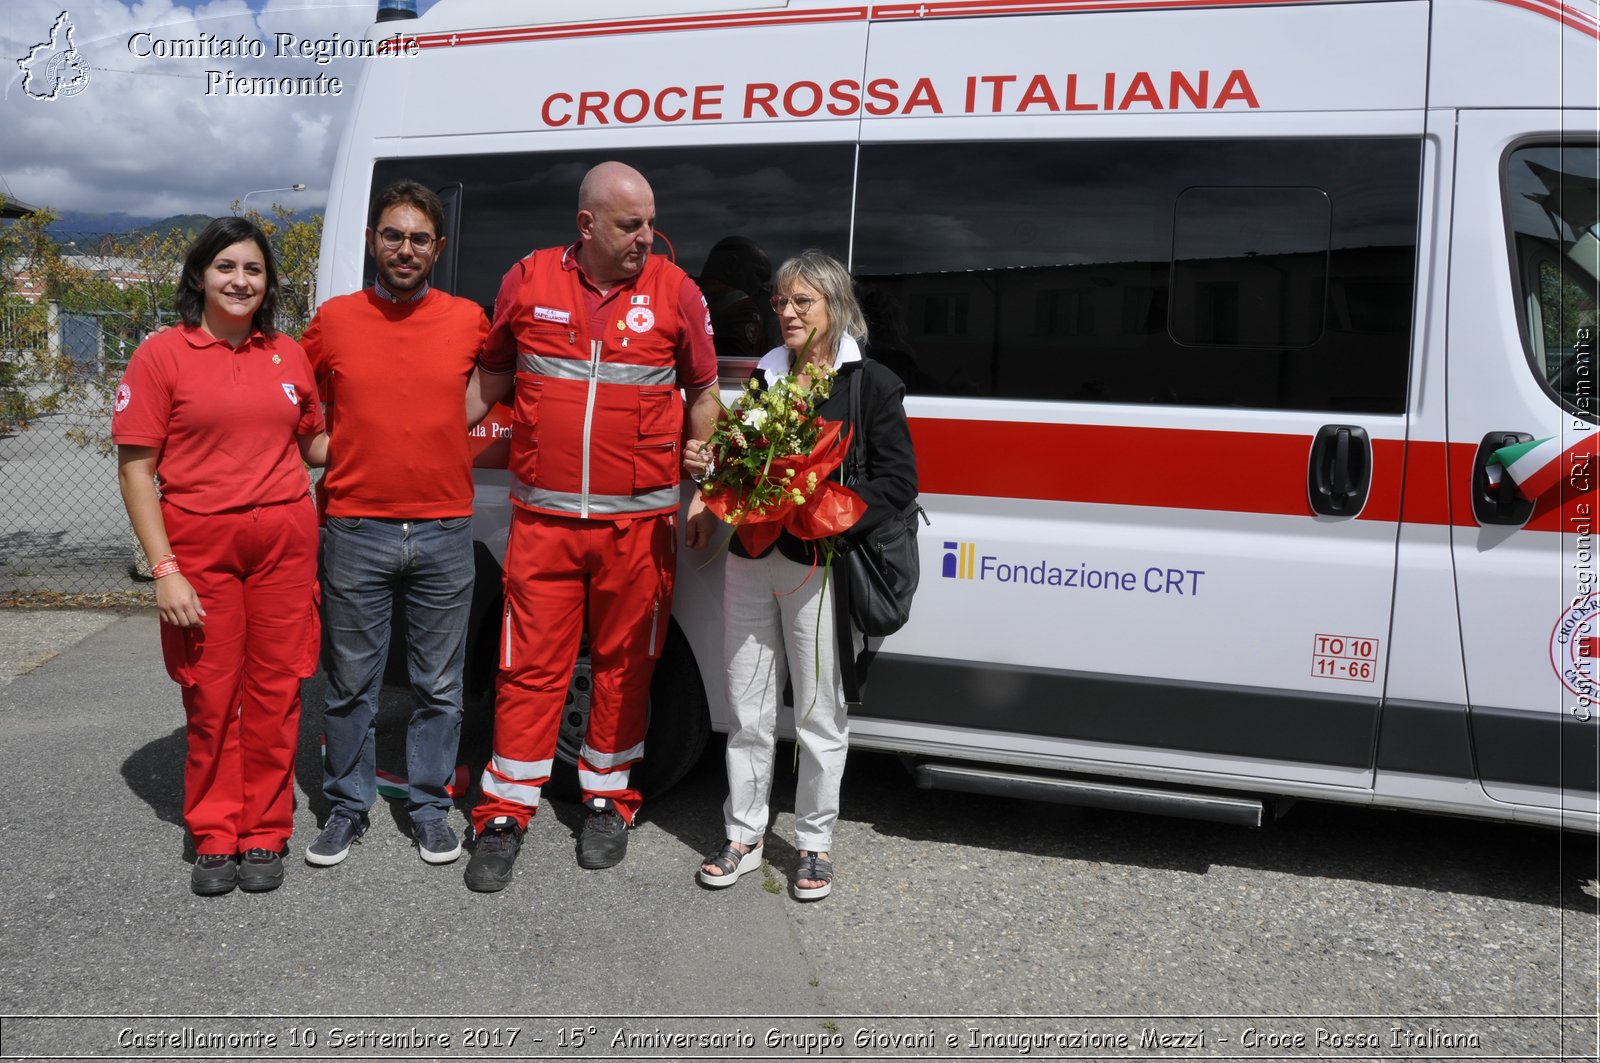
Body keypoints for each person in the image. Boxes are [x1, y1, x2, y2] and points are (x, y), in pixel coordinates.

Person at [461, 160, 718, 890]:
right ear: (587, 224)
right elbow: (491, 377)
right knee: (525, 670)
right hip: (542, 525)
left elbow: (704, 396)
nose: (647, 237)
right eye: (630, 224)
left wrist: (705, 489)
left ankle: (609, 802)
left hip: (638, 530)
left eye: (651, 222)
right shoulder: (528, 279)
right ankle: (504, 812)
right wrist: (432, 452)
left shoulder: (677, 291)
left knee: (625, 669)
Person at [683, 250, 917, 901]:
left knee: (819, 713)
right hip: (749, 559)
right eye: (780, 301)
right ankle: (744, 833)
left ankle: (814, 844)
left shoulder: (870, 383)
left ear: (834, 308)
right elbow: (739, 464)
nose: (785, 312)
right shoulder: (766, 374)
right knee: (748, 707)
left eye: (800, 302)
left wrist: (828, 511)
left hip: (819, 564)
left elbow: (899, 482)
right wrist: (712, 466)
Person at [112, 217, 327, 896]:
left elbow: (315, 444)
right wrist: (164, 568)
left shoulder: (288, 355)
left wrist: (401, 435)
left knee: (276, 691)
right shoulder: (162, 355)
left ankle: (264, 827)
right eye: (227, 267)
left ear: (268, 284)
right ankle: (213, 828)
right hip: (201, 548)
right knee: (210, 693)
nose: (240, 281)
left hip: (284, 548)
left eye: (254, 270)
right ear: (200, 276)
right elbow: (136, 469)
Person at [300, 180, 490, 870]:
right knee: (352, 684)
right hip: (355, 527)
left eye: (417, 238)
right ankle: (346, 805)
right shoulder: (335, 319)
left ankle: (431, 806)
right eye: (391, 234)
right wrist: (328, 447)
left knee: (440, 684)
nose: (403, 248)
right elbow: (292, 400)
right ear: (372, 241)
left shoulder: (469, 318)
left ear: (437, 247)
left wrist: (448, 423)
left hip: (443, 527)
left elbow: (494, 382)